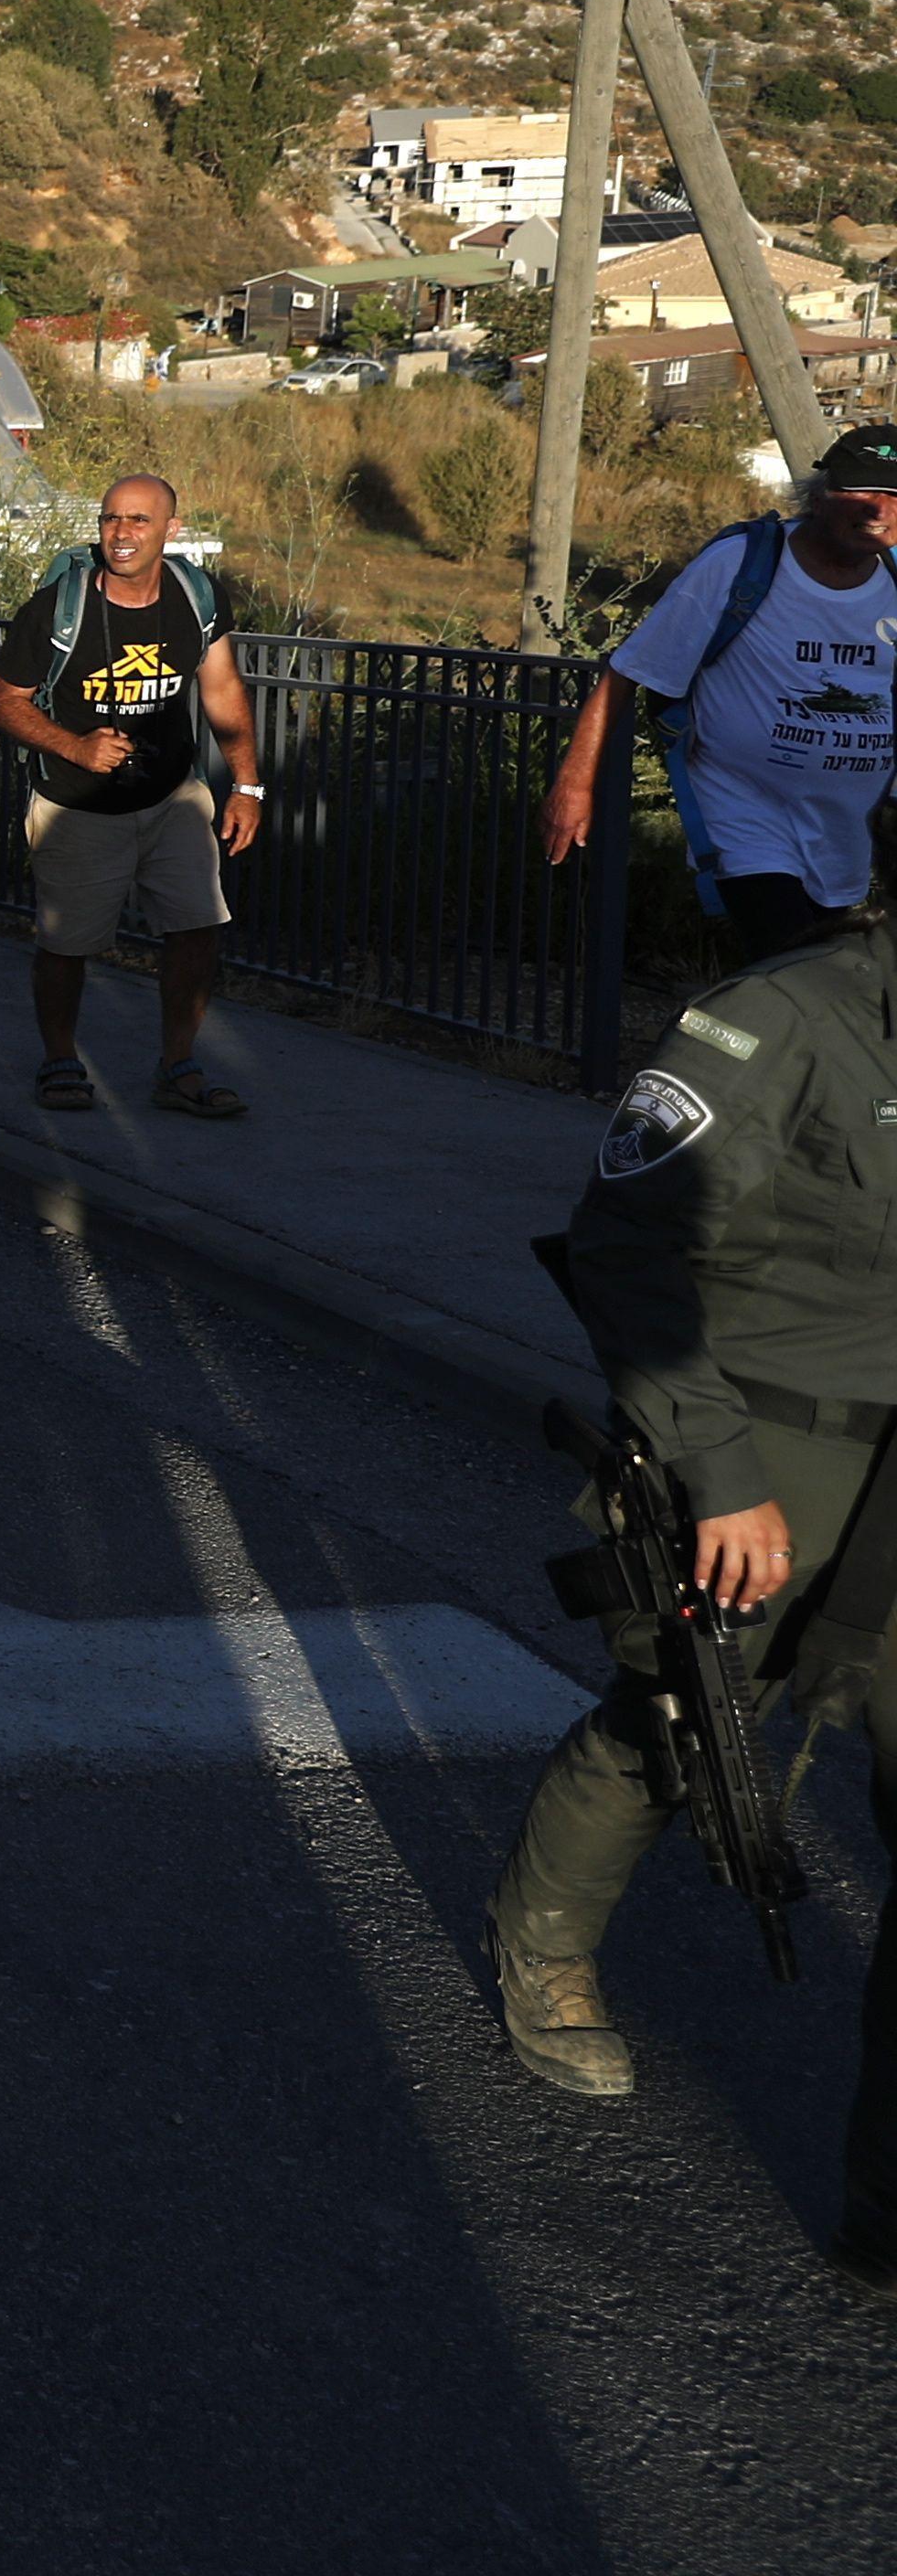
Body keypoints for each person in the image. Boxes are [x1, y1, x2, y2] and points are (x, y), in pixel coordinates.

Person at [489, 913, 895, 2305]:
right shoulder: (779, 1020)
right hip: (774, 1448)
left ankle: (886, 2208)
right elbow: (629, 1246)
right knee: (687, 1724)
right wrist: (718, 1474)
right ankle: (543, 1947)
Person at [542, 424, 897, 962]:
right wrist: (574, 786)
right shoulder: (740, 565)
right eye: (863, 490)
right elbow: (628, 672)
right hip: (746, 815)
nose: (878, 509)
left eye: (895, 495)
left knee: (813, 977)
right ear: (822, 493)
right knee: (789, 961)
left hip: (848, 827)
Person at [0, 475, 263, 1118]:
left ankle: (178, 1066)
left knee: (198, 927)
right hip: (77, 805)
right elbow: (3, 701)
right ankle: (60, 1058)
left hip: (173, 796)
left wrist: (247, 784)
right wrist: (73, 746)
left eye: (139, 521)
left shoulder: (196, 598)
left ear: (171, 529)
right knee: (67, 944)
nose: (122, 533)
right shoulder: (60, 607)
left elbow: (222, 691)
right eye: (112, 519)